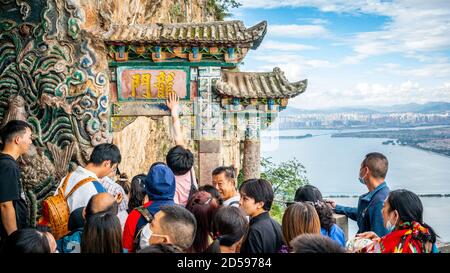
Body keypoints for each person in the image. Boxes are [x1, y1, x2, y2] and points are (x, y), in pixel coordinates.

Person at [327, 152, 390, 237]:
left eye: (361, 168)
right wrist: (336, 207)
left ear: (366, 170)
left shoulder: (380, 202)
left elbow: (379, 240)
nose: (359, 171)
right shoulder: (378, 195)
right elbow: (362, 214)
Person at [54, 143, 121, 223]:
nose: (111, 172)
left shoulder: (68, 177)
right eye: (113, 168)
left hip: (58, 229)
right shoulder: (96, 189)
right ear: (107, 164)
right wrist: (111, 205)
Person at [357, 189, 439, 253]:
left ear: (395, 215)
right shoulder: (424, 236)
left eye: (384, 206)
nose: (381, 211)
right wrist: (380, 241)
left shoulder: (395, 243)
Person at [122, 163, 175, 253]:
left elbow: (126, 249)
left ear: (148, 186)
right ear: (173, 185)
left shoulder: (135, 215)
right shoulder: (183, 214)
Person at [0, 120, 32, 243]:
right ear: (17, 139)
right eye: (29, 137)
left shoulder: (7, 163)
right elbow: (5, 205)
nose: (30, 141)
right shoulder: (7, 165)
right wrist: (14, 239)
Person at [165, 93, 197, 207]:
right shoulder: (187, 165)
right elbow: (178, 137)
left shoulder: (171, 185)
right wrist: (174, 111)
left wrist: (173, 110)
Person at [239, 179, 283, 253]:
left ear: (260, 204)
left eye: (245, 199)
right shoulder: (277, 225)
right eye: (240, 197)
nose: (240, 202)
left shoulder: (255, 230)